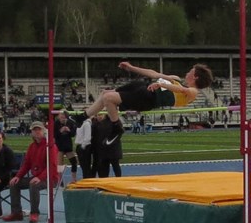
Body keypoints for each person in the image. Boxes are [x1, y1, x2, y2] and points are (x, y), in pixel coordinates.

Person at [75, 61, 213, 125]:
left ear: (195, 77)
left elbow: (182, 90)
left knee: (109, 98)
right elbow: (153, 73)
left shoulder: (194, 92)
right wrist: (131, 67)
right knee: (105, 93)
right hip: (143, 88)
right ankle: (82, 117)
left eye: (190, 72)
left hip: (148, 98)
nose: (187, 72)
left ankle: (116, 127)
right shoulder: (176, 79)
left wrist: (161, 84)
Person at [4, 121, 59, 223]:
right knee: (14, 183)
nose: (37, 132)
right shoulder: (31, 147)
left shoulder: (50, 146)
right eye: (35, 130)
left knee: (33, 184)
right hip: (36, 177)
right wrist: (18, 176)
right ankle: (16, 213)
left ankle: (34, 213)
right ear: (32, 132)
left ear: (43, 131)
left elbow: (51, 166)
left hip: (50, 178)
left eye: (39, 129)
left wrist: (40, 177)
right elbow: (26, 164)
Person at [53, 110, 79, 183]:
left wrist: (69, 130)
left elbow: (73, 134)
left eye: (63, 116)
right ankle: (59, 181)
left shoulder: (70, 123)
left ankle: (73, 179)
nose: (62, 117)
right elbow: (54, 135)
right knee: (59, 165)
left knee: (74, 162)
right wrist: (60, 131)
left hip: (68, 145)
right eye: (61, 115)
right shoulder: (55, 123)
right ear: (58, 116)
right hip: (59, 146)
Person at [74, 115, 94, 179]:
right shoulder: (81, 123)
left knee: (86, 166)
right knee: (83, 166)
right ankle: (86, 180)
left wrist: (82, 147)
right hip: (81, 146)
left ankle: (88, 181)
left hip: (84, 147)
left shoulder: (87, 124)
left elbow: (87, 137)